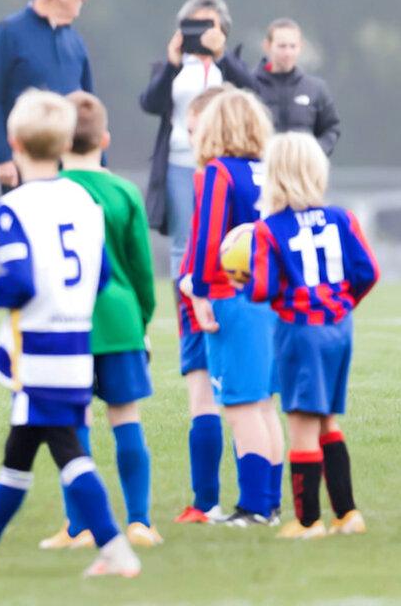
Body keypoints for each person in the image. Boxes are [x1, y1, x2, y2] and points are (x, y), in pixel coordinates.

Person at [0, 89, 140, 579]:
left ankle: (115, 549)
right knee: (18, 457)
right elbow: (105, 277)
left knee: (69, 452)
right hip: (77, 344)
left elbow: (20, 284)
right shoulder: (87, 202)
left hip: (39, 350)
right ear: (66, 141)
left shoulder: (14, 208)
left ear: (14, 143)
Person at [241, 132, 377, 538]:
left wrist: (242, 272)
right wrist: (339, 303)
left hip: (300, 332)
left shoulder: (268, 229)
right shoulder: (342, 218)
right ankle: (348, 514)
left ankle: (307, 521)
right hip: (338, 328)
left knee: (300, 423)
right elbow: (367, 271)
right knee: (327, 421)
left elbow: (262, 289)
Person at [40, 92, 160, 549]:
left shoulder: (49, 193)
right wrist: (140, 320)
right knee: (126, 417)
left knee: (75, 424)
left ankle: (81, 525)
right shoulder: (125, 191)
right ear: (104, 139)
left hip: (68, 323)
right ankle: (140, 522)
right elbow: (141, 272)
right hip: (121, 319)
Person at [181, 88, 284, 527]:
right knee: (264, 406)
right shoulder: (271, 171)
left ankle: (254, 508)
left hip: (232, 296)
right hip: (271, 296)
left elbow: (208, 239)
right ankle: (272, 502)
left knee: (241, 406)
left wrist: (200, 291)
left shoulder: (218, 172)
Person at [139, 0, 259, 278]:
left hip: (226, 163)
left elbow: (254, 94)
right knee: (184, 241)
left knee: (229, 235)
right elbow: (150, 103)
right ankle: (187, 309)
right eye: (193, 25)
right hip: (181, 162)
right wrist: (171, 64)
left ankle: (225, 300)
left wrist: (223, 56)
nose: (201, 32)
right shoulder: (174, 67)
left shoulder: (230, 65)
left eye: (208, 25)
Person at [172, 85, 232, 524]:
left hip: (204, 291)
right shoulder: (261, 172)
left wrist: (194, 286)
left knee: (202, 395)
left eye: (194, 130)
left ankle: (205, 502)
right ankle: (260, 502)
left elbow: (204, 242)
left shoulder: (210, 176)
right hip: (249, 296)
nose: (190, 139)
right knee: (255, 403)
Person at [0, 0, 91, 191]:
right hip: (25, 164)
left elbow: (89, 107)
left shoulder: (76, 42)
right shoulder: (7, 33)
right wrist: (3, 158)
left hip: (72, 167)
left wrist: (97, 162)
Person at [254, 18, 340, 155]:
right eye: (282, 46)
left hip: (303, 171)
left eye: (293, 46)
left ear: (301, 47)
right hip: (261, 170)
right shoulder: (249, 87)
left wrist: (315, 153)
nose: (288, 53)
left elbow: (331, 129)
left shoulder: (316, 88)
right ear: (267, 46)